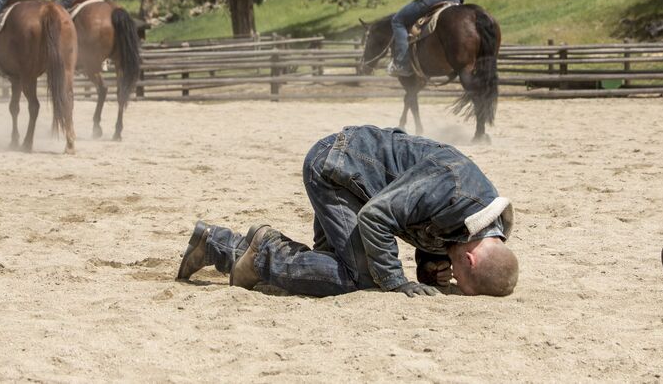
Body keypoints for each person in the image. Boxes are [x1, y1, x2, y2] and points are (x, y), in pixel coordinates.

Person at [176, 125, 518, 298]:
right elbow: (376, 216)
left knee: (333, 270)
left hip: (352, 173)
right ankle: (263, 251)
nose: (453, 276)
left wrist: (430, 267)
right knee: (363, 277)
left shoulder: (478, 221)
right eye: (459, 275)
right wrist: (396, 282)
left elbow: (423, 221)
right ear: (472, 259)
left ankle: (219, 246)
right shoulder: (453, 187)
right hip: (337, 170)